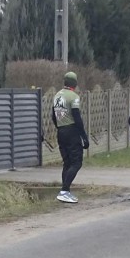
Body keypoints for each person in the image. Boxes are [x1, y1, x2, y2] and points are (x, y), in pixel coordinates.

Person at [53, 71, 90, 203]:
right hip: (72, 131)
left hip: (61, 131)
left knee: (67, 163)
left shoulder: (57, 95)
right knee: (76, 162)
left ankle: (66, 192)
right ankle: (64, 191)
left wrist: (59, 127)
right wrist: (84, 136)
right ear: (74, 83)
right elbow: (77, 117)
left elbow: (53, 116)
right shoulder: (73, 97)